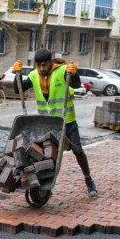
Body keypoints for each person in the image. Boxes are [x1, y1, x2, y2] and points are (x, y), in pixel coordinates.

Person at [14, 49, 98, 198]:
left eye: (44, 65)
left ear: (51, 62)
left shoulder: (63, 71)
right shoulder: (34, 75)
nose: (41, 69)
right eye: (38, 65)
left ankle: (88, 179)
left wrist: (74, 73)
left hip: (67, 122)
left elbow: (76, 84)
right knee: (45, 156)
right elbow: (17, 89)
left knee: (78, 151)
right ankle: (45, 184)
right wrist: (17, 75)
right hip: (47, 125)